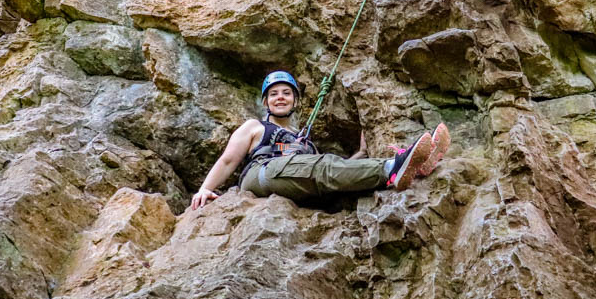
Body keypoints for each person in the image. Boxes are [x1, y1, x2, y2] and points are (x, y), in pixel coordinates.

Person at [190, 71, 451, 210]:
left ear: (295, 100)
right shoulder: (255, 126)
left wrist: (360, 155)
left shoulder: (304, 140)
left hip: (295, 181)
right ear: (266, 102)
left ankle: (415, 168)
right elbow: (228, 160)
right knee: (321, 166)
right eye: (273, 94)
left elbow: (331, 174)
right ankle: (393, 167)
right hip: (262, 174)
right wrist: (204, 188)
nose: (280, 97)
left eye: (286, 93)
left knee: (335, 182)